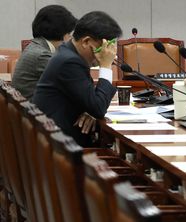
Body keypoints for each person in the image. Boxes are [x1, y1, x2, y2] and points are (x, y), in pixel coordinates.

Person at [33, 11, 122, 147]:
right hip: (61, 147)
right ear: (86, 42)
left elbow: (92, 103)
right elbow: (98, 107)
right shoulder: (69, 62)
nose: (104, 55)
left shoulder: (68, 53)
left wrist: (90, 110)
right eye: (102, 49)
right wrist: (106, 66)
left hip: (56, 138)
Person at [11, 5, 77, 100]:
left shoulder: (34, 46)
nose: (71, 38)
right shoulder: (42, 55)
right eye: (69, 34)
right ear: (61, 32)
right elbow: (76, 83)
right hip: (36, 112)